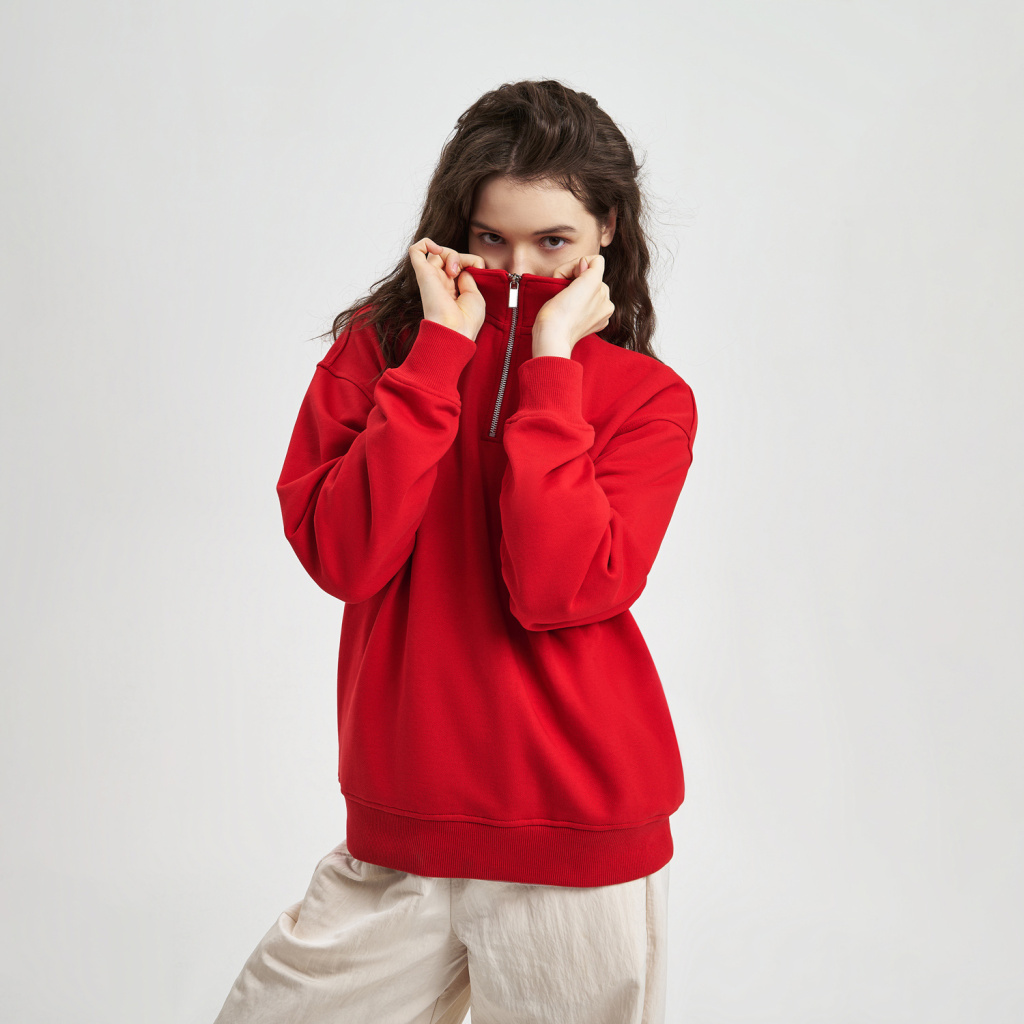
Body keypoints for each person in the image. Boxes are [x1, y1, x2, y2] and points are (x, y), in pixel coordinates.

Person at [213, 78, 698, 1024]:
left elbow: (559, 588)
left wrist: (551, 366)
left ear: (607, 230)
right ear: (455, 227)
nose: (516, 267)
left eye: (552, 241)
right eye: (490, 237)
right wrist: (437, 356)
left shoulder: (646, 398)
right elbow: (346, 557)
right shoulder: (381, 354)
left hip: (577, 828)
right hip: (402, 822)